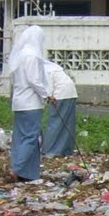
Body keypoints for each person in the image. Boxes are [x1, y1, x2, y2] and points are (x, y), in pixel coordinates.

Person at [6, 25, 50, 182]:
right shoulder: (32, 55)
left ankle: (27, 172)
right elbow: (34, 80)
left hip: (19, 101)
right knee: (31, 136)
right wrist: (47, 94)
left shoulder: (20, 55)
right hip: (30, 103)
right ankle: (17, 168)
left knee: (20, 137)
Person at [41, 60, 78, 157]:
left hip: (60, 95)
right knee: (67, 123)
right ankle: (65, 150)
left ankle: (49, 150)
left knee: (55, 122)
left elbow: (48, 88)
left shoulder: (46, 70)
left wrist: (48, 98)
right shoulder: (54, 68)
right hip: (71, 93)